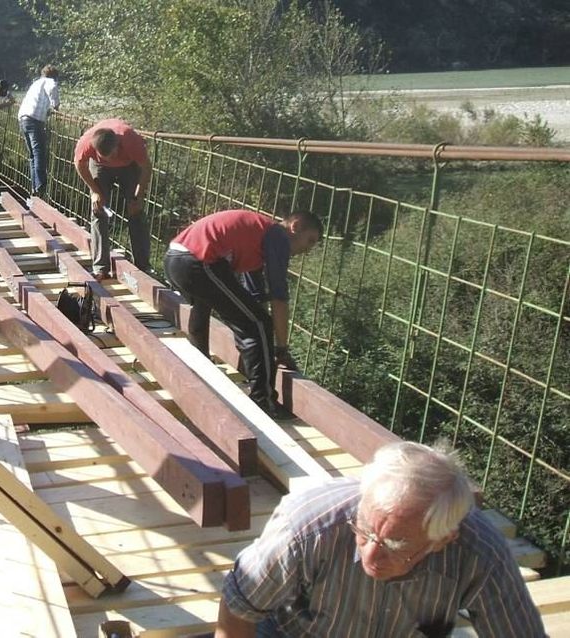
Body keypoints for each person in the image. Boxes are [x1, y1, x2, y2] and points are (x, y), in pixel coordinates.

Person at [214, 441, 547, 637]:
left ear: (444, 539)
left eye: (397, 545)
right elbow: (239, 607)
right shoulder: (306, 528)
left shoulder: (480, 552)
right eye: (364, 531)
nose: (371, 555)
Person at [163, 210, 321, 414]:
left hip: (175, 258)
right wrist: (281, 348)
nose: (306, 250)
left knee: (217, 308)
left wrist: (259, 345)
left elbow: (255, 298)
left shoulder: (256, 234)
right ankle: (263, 402)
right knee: (259, 324)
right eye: (309, 241)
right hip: (196, 262)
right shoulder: (277, 236)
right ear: (295, 226)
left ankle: (199, 369)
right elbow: (278, 297)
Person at [74, 119, 153, 279]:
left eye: (112, 155)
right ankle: (101, 268)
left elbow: (146, 167)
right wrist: (95, 191)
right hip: (99, 167)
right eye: (106, 156)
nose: (111, 159)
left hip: (128, 165)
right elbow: (80, 165)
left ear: (118, 145)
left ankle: (143, 267)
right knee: (98, 210)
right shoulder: (86, 143)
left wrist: (139, 194)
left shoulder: (131, 140)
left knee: (135, 211)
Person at [17, 65, 60, 196]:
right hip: (34, 120)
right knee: (39, 153)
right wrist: (56, 105)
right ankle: (41, 186)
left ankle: (35, 187)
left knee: (32, 155)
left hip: (23, 118)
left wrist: (47, 111)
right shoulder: (50, 82)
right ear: (55, 76)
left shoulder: (36, 83)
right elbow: (52, 88)